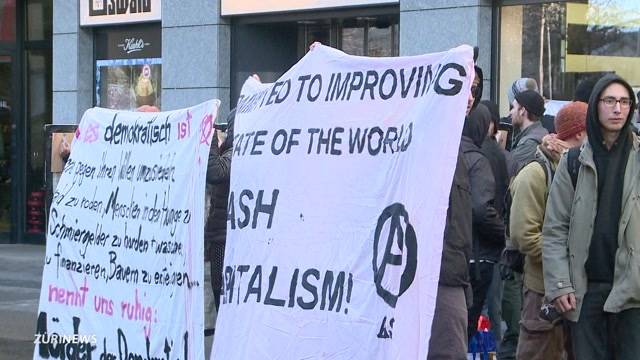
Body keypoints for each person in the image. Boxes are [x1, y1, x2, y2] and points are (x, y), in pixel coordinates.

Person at [543, 74, 640, 359]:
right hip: (585, 291)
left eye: (624, 102)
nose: (617, 109)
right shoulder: (573, 162)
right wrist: (560, 284)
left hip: (633, 293)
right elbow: (554, 229)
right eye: (609, 101)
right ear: (596, 105)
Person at [510, 101, 587, 359]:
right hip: (542, 292)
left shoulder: (584, 170)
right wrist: (566, 256)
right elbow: (524, 236)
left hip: (579, 292)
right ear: (579, 133)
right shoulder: (535, 173)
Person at [427, 64, 481, 360]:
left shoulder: (456, 147)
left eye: (473, 89)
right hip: (432, 277)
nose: (469, 97)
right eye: (462, 87)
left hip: (451, 275)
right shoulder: (424, 141)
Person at [500, 88, 549, 360]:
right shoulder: (532, 139)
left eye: (514, 106)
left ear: (523, 111)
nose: (509, 112)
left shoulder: (530, 144)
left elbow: (512, 185)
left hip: (529, 250)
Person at [464, 104, 505, 342]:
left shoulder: (448, 152)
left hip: (455, 254)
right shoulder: (479, 160)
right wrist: (503, 233)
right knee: (466, 329)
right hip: (478, 255)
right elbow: (480, 209)